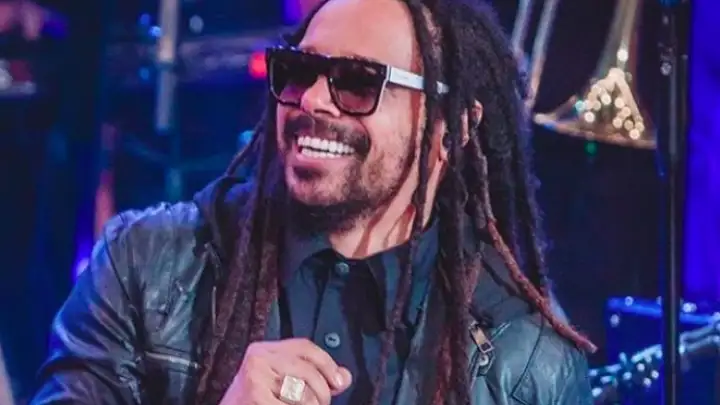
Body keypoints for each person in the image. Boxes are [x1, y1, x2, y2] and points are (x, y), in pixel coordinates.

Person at [30, 0, 597, 403]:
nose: (313, 100)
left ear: (453, 126)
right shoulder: (145, 265)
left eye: (359, 82)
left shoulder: (527, 356)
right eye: (300, 71)